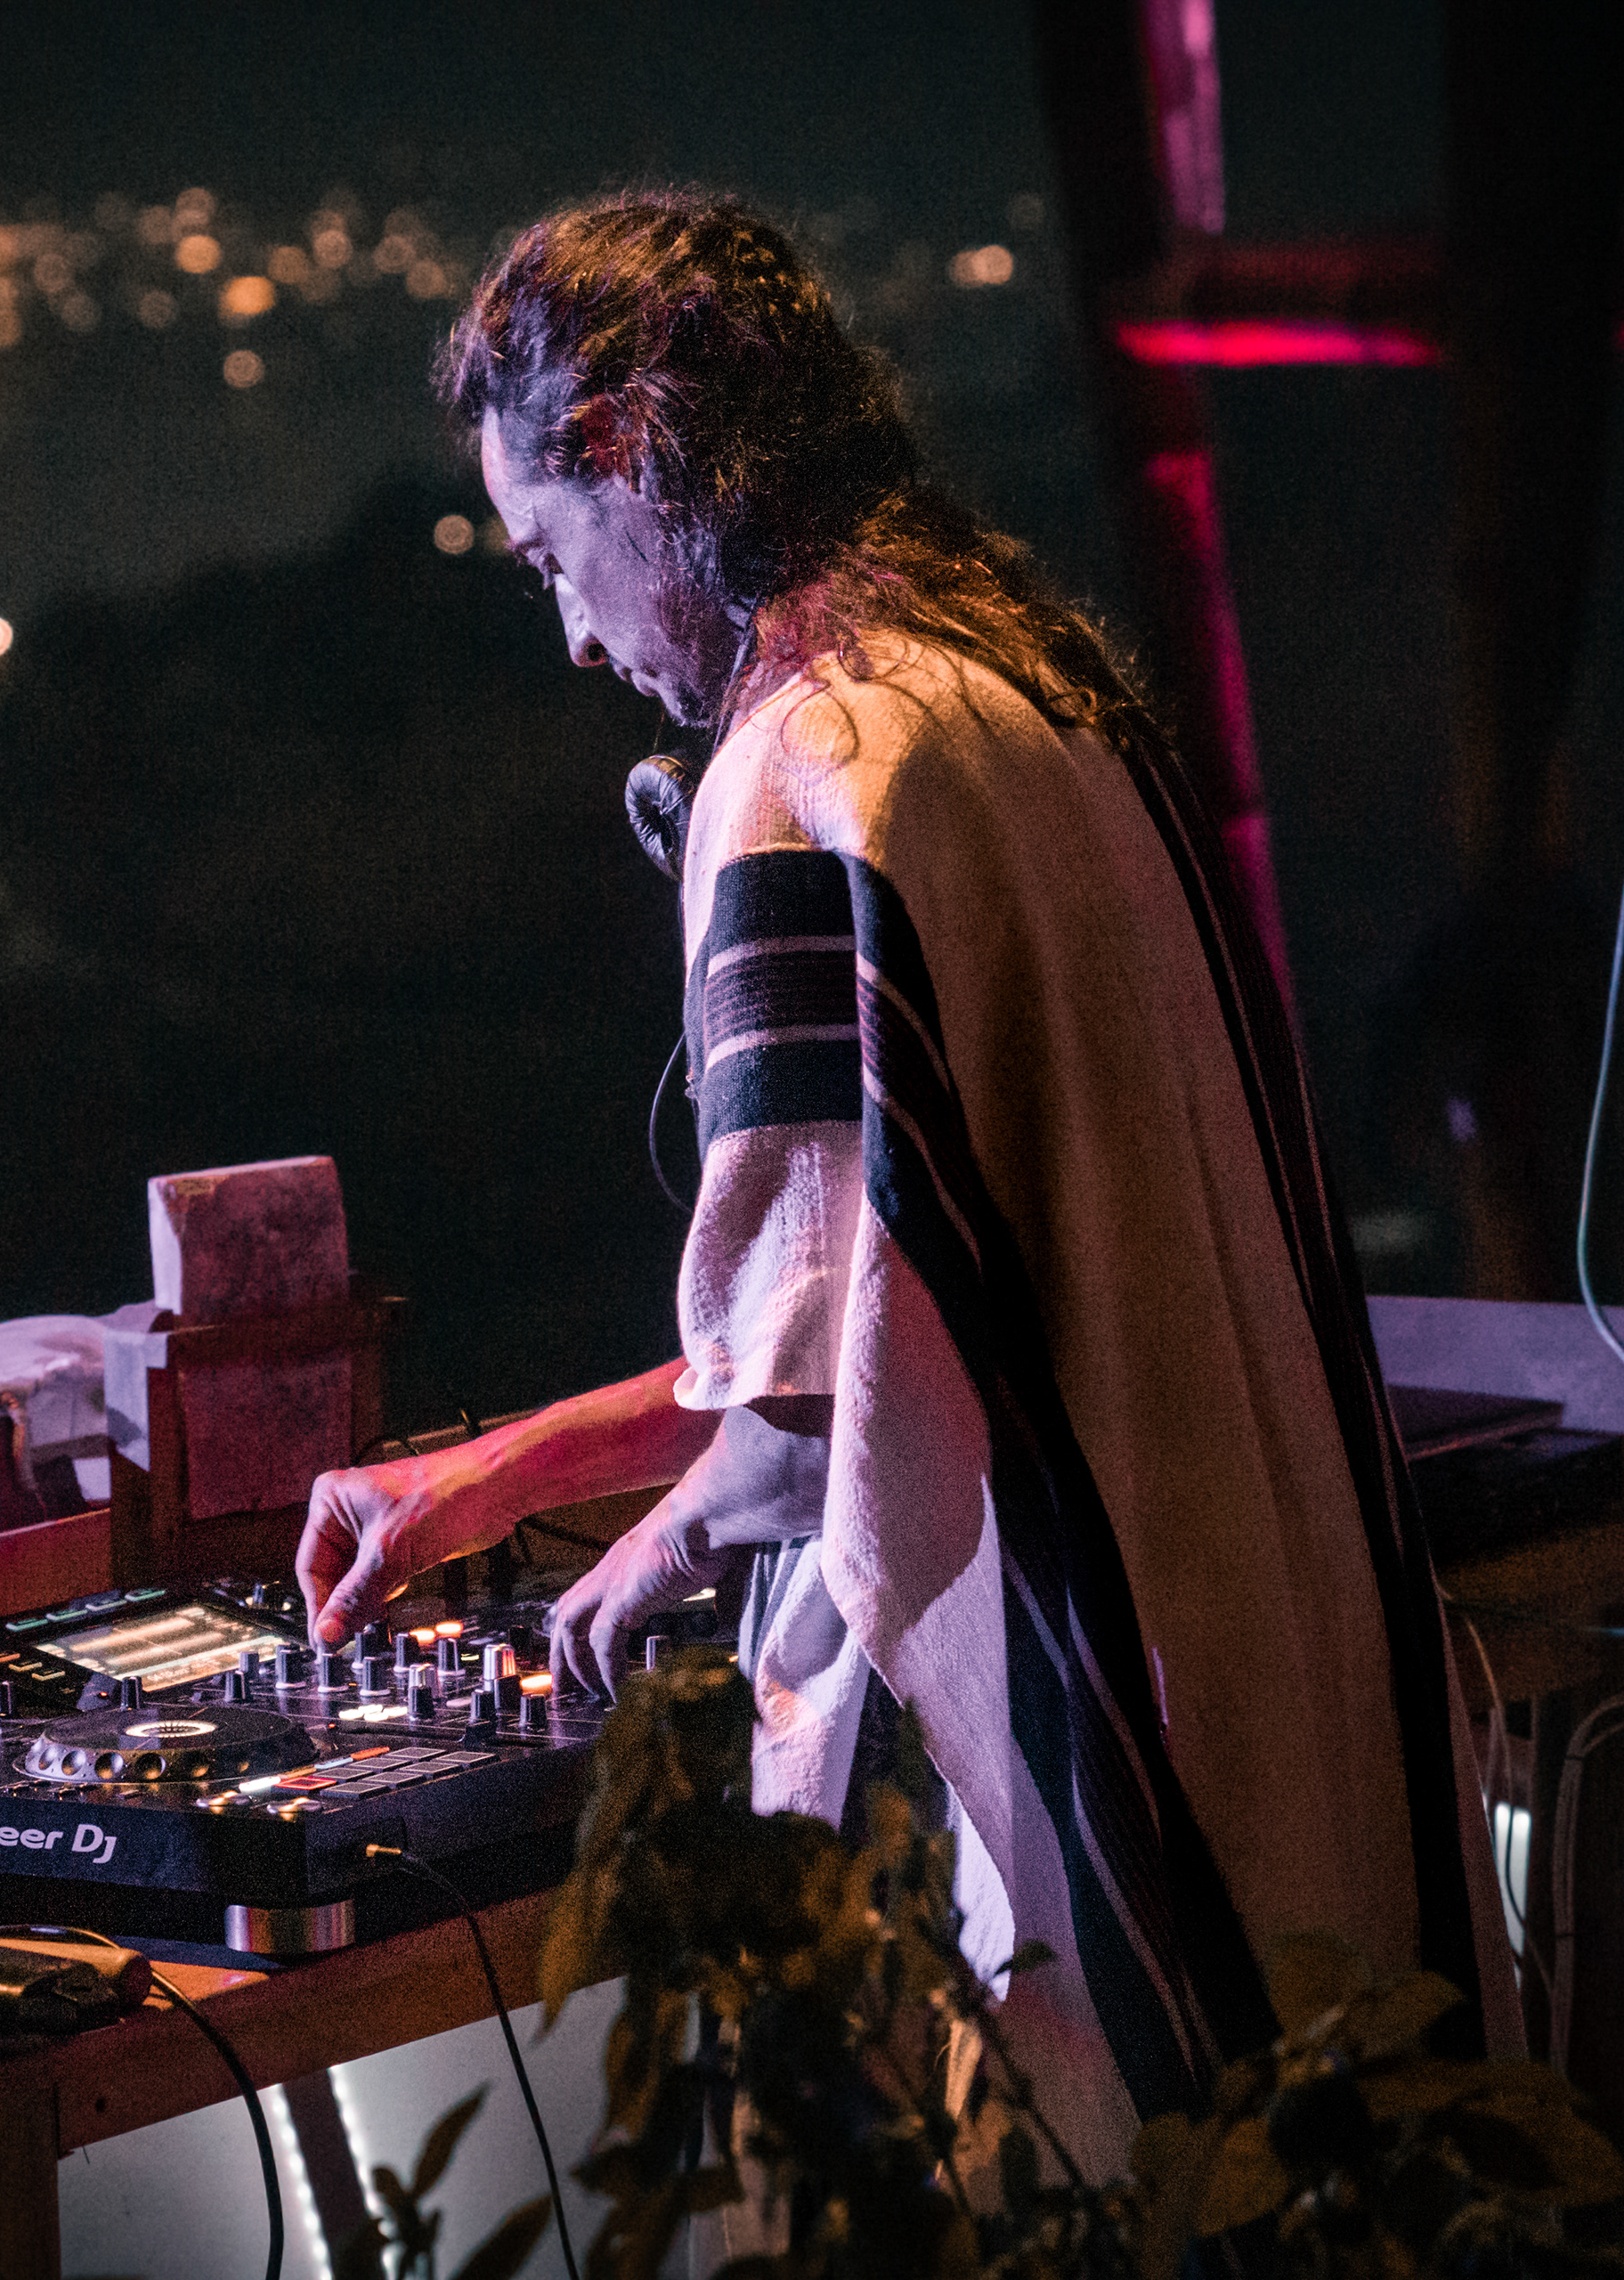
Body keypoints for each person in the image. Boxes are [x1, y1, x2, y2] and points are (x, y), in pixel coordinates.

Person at [293, 192, 1514, 2178]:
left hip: (1090, 1737)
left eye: (551, 559)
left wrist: (636, 1564)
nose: (575, 635)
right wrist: (492, 1478)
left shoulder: (802, 772)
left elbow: (826, 1420)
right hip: (1296, 1661)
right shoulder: (1022, 696)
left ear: (631, 445)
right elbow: (903, 1301)